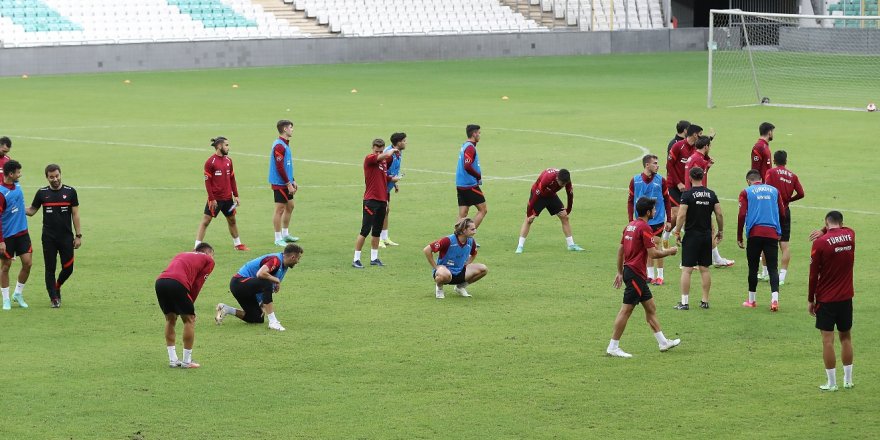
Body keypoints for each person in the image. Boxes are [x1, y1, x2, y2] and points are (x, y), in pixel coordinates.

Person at [607, 197, 680, 358]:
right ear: (648, 212)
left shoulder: (630, 226)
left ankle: (662, 342)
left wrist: (620, 272)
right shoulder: (645, 228)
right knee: (626, 310)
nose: (655, 211)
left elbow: (620, 251)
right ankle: (613, 346)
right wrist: (670, 251)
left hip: (631, 272)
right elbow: (653, 254)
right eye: (654, 209)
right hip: (635, 274)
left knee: (650, 307)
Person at [808, 211, 855, 391]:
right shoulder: (850, 235)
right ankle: (848, 380)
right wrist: (826, 229)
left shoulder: (819, 243)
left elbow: (813, 275)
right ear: (841, 222)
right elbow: (844, 228)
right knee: (846, 337)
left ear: (826, 223)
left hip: (826, 299)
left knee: (827, 341)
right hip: (846, 297)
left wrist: (810, 299)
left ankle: (832, 383)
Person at [25, 164, 82, 308]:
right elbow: (31, 211)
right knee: (50, 268)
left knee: (68, 268)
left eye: (57, 176)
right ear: (47, 177)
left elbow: (75, 214)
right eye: (51, 177)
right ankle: (54, 298)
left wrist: (78, 235)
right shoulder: (42, 193)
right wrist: (16, 206)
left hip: (66, 237)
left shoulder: (70, 192)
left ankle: (57, 286)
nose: (55, 179)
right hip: (48, 238)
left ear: (60, 174)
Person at [215, 243, 303, 331]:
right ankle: (273, 322)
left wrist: (261, 304)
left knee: (257, 318)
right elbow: (260, 274)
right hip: (239, 282)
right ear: (293, 257)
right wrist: (276, 280)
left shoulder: (284, 266)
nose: (298, 261)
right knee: (267, 282)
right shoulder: (276, 260)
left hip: (246, 288)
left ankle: (226, 309)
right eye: (298, 258)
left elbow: (262, 286)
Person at [155, 242, 215, 368]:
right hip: (178, 284)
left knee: (170, 319)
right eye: (212, 255)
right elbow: (198, 284)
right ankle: (187, 362)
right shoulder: (208, 260)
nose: (212, 258)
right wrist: (190, 308)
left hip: (161, 282)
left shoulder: (182, 254)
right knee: (189, 320)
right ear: (208, 253)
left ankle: (173, 360)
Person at [671, 167, 723, 310]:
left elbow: (681, 215)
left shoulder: (687, 195)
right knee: (704, 269)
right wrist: (721, 231)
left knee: (687, 269)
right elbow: (719, 214)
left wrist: (676, 232)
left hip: (692, 236)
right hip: (706, 236)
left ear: (690, 178)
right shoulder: (711, 194)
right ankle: (705, 301)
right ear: (702, 177)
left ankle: (685, 302)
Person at [737, 169, 785, 311]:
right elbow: (782, 212)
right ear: (761, 179)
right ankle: (774, 300)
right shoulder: (774, 191)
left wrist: (739, 235)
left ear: (748, 181)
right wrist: (780, 230)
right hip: (771, 233)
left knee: (753, 267)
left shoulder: (746, 192)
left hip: (754, 233)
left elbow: (741, 215)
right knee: (773, 268)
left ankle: (752, 300)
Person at [195, 137, 248, 251]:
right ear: (219, 146)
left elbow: (232, 178)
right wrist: (211, 198)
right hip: (216, 199)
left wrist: (236, 195)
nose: (228, 147)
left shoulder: (229, 161)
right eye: (226, 145)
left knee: (232, 220)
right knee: (206, 221)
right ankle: (196, 247)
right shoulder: (210, 162)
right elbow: (207, 182)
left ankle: (238, 244)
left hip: (228, 199)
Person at [352, 139, 399, 268]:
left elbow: (384, 176)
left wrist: (393, 181)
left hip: (382, 200)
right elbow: (382, 157)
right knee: (365, 230)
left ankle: (374, 258)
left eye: (381, 150)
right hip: (371, 200)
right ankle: (356, 259)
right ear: (372, 149)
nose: (378, 152)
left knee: (377, 231)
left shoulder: (383, 162)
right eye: (376, 150)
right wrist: (390, 152)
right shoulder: (370, 158)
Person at [515, 168, 584, 253]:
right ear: (557, 178)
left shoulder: (566, 180)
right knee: (528, 220)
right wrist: (530, 214)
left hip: (551, 195)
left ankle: (571, 245)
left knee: (565, 217)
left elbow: (570, 194)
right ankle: (520, 246)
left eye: (565, 184)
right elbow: (535, 196)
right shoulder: (547, 178)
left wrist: (568, 210)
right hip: (539, 195)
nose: (563, 185)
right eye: (562, 183)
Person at [627, 155, 671, 285]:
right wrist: (631, 219)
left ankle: (660, 275)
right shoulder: (635, 181)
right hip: (641, 220)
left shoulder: (661, 180)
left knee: (656, 245)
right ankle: (650, 275)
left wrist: (669, 219)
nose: (658, 166)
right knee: (647, 247)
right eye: (655, 163)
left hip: (657, 219)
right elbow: (630, 201)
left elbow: (667, 200)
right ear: (647, 165)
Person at [763, 150, 804, 285]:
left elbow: (768, 188)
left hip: (771, 211)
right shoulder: (793, 176)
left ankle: (766, 273)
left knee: (767, 241)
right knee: (784, 245)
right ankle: (782, 276)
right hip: (785, 210)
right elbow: (801, 193)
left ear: (774, 161)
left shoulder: (771, 172)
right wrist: (788, 200)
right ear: (786, 161)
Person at [424, 217, 488, 299]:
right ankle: (439, 288)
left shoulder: (471, 241)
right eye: (472, 229)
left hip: (460, 271)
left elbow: (474, 254)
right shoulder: (448, 240)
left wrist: (467, 263)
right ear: (464, 230)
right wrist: (435, 267)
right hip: (444, 272)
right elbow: (427, 250)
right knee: (444, 275)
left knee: (483, 269)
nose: (475, 231)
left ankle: (460, 287)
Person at [0, 160, 32, 311]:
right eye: (18, 172)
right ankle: (6, 299)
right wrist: (1, 242)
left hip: (22, 232)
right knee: (6, 266)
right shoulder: (1, 193)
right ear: (11, 174)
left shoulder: (17, 184)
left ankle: (18, 294)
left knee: (27, 263)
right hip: (7, 236)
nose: (20, 174)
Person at [269, 119, 299, 246]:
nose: (292, 130)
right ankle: (277, 238)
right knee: (279, 210)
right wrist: (288, 183)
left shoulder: (285, 144)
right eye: (291, 127)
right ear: (285, 129)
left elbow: (287, 165)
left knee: (290, 206)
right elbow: (279, 166)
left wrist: (293, 180)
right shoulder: (279, 145)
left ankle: (285, 234)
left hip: (287, 181)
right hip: (280, 183)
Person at [456, 124, 487, 231]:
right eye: (478, 133)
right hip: (469, 185)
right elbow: (467, 165)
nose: (479, 135)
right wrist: (478, 176)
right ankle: (468, 235)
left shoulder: (465, 145)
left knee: (463, 214)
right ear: (474, 134)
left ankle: (456, 238)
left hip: (460, 184)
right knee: (483, 210)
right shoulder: (470, 148)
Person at [379, 132, 406, 248]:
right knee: (381, 212)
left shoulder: (398, 152)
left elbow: (392, 170)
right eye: (404, 141)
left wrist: (394, 183)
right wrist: (391, 179)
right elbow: (380, 173)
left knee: (386, 211)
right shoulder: (388, 155)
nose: (406, 143)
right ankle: (378, 239)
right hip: (380, 187)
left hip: (387, 187)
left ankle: (385, 237)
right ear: (398, 142)